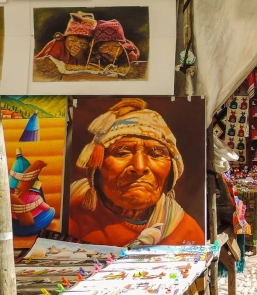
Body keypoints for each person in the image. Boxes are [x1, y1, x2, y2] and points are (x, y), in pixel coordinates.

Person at [69, 98, 204, 246]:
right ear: (96, 165)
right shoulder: (68, 207)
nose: (139, 167)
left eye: (156, 154)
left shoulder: (188, 233)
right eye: (122, 153)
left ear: (172, 170)